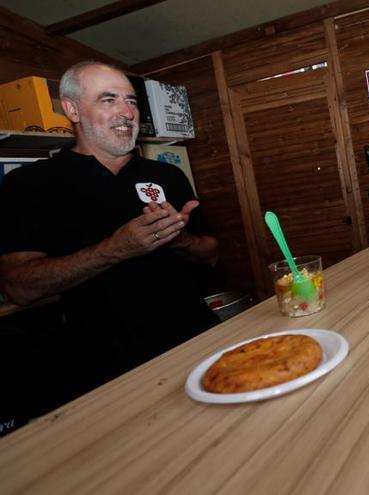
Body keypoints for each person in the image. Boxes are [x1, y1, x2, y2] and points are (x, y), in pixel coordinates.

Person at [0, 61, 220, 399]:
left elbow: (211, 255)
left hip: (197, 341)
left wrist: (181, 239)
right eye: (108, 99)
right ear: (72, 109)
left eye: (131, 101)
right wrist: (117, 248)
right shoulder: (30, 185)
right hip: (109, 369)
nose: (126, 112)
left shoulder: (167, 176)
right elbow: (20, 286)